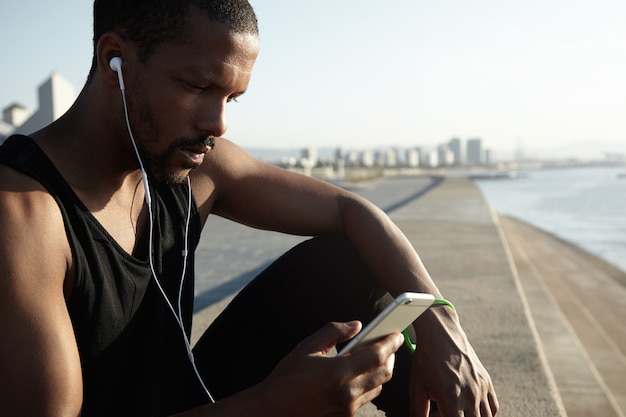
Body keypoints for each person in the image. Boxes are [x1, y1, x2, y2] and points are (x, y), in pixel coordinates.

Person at [0, 0, 499, 416]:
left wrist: (441, 324)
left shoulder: (193, 164)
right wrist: (275, 404)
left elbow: (352, 211)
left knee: (345, 265)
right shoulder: (24, 214)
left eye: (232, 98)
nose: (218, 124)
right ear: (116, 61)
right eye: (198, 87)